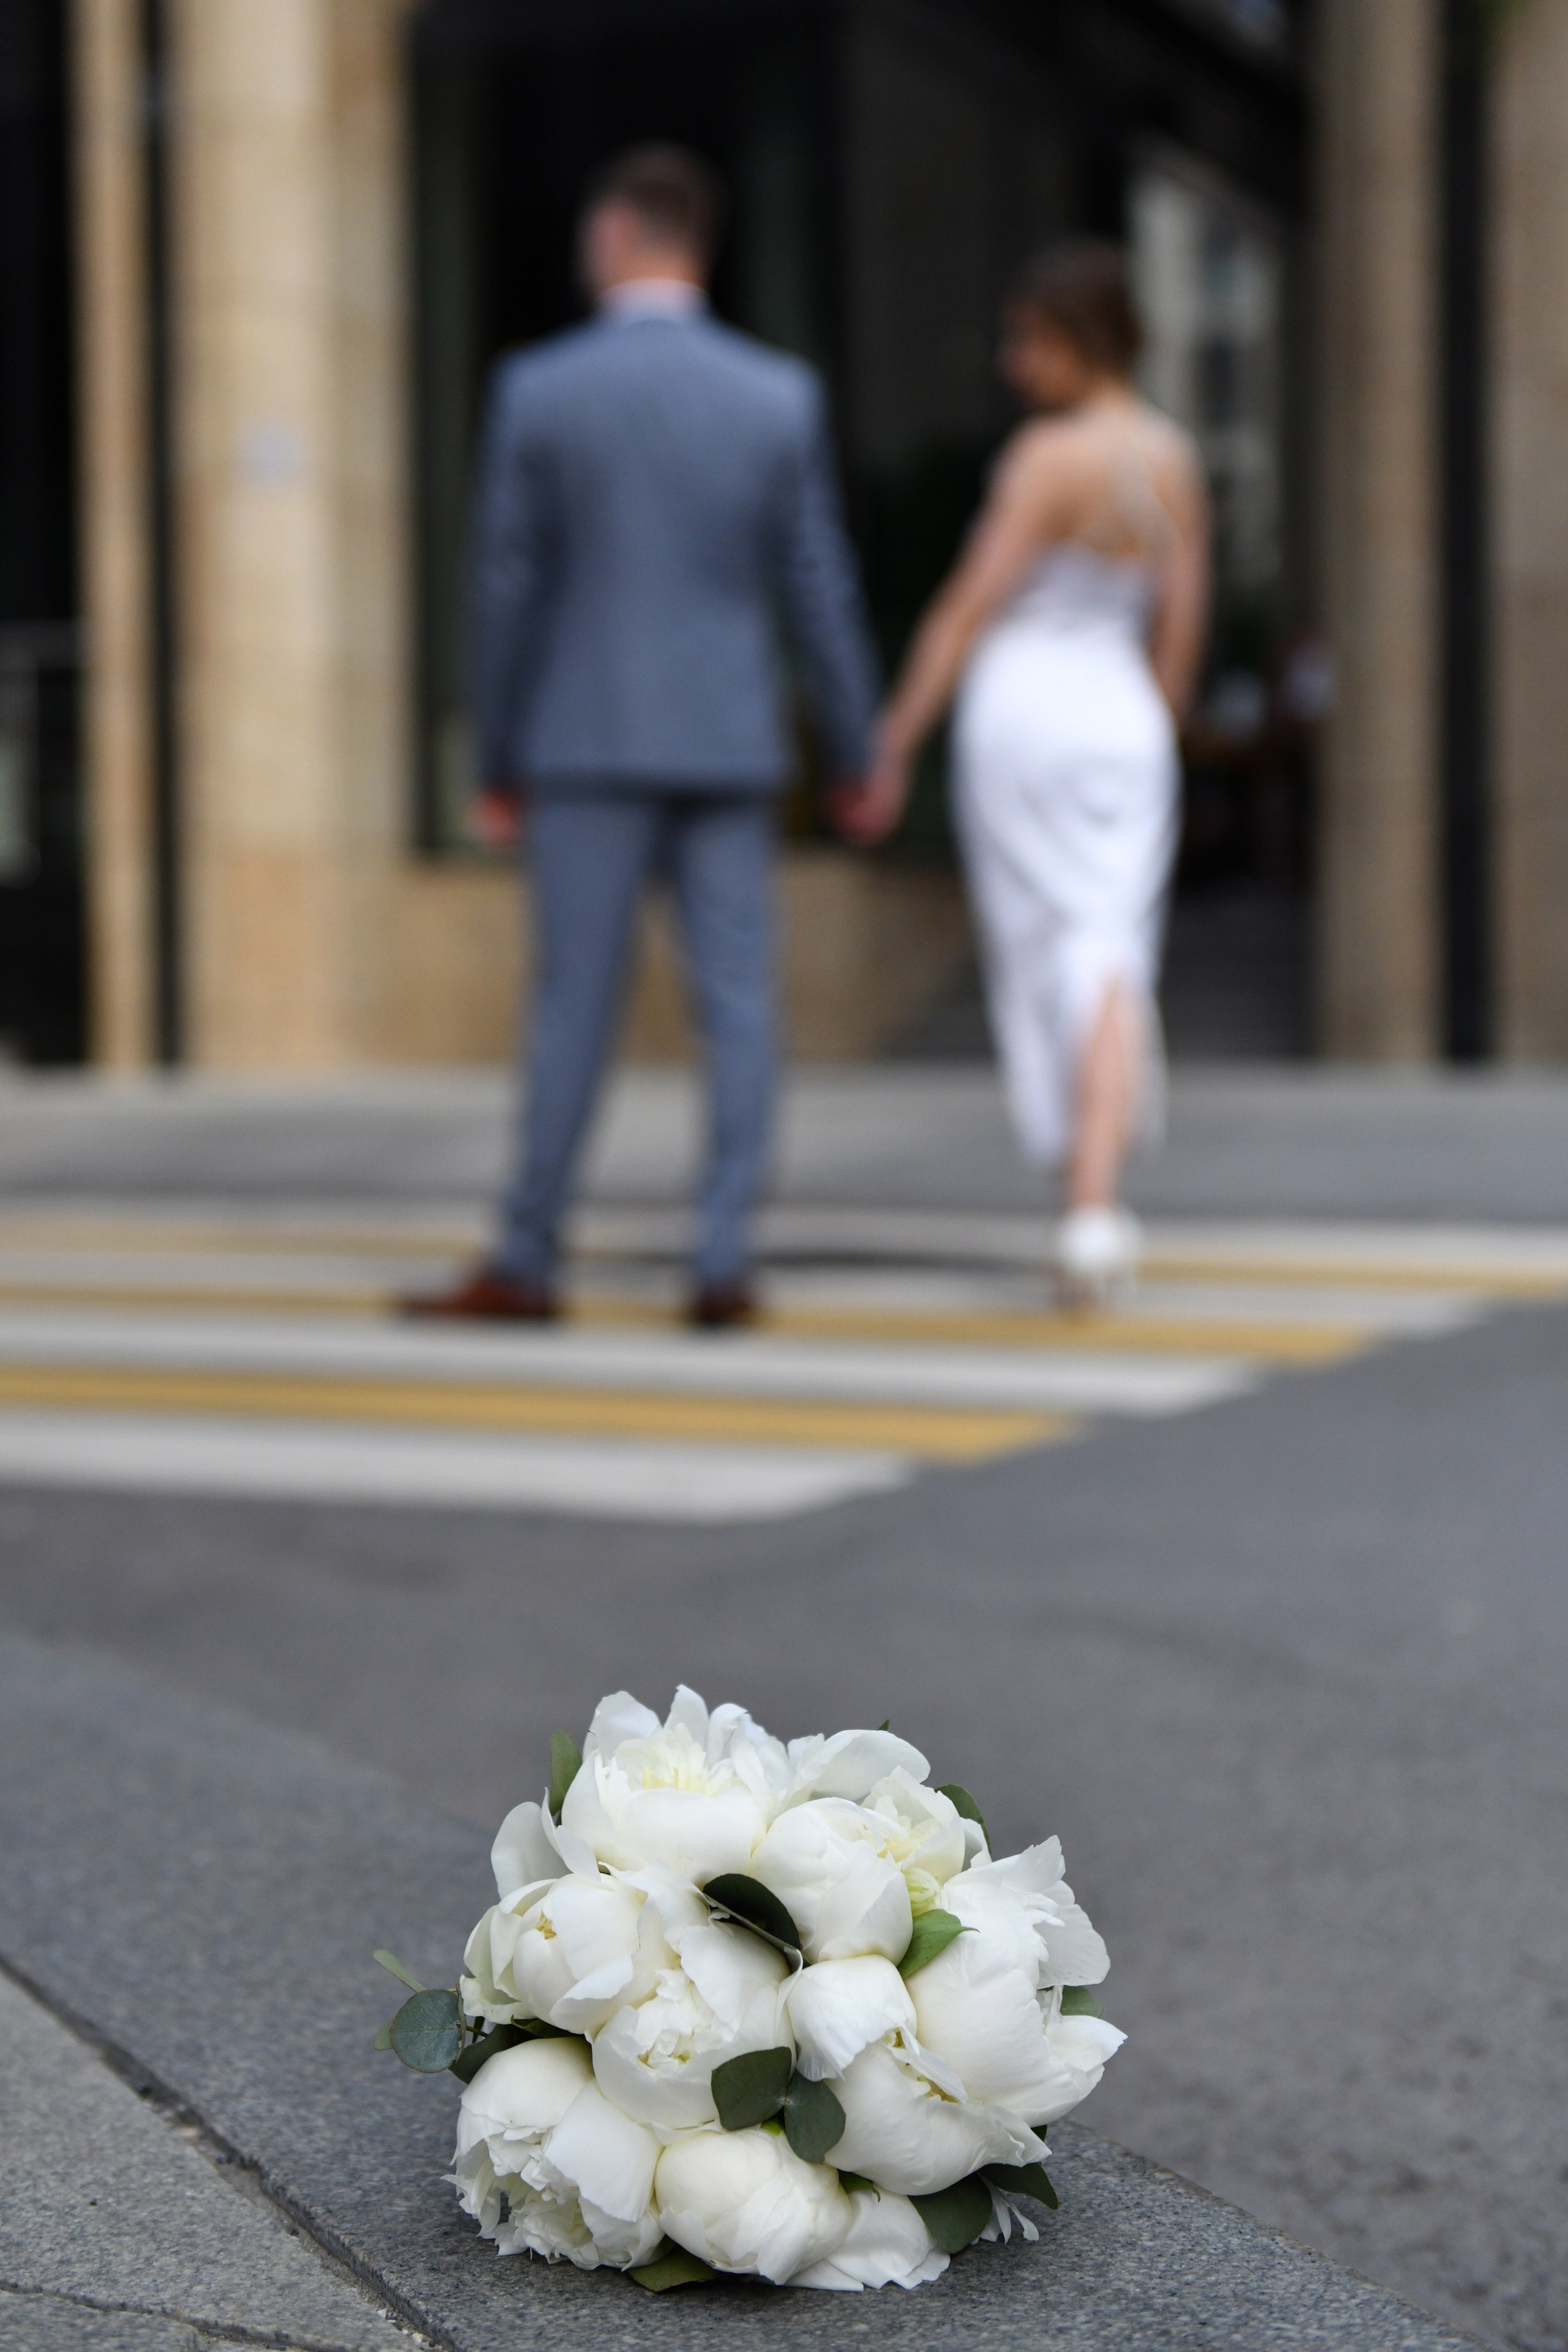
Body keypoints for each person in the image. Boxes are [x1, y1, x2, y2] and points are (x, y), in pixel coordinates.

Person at [407, 145, 880, 1329]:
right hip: (729, 740)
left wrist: (496, 752)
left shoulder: (539, 388)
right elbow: (821, 587)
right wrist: (860, 749)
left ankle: (528, 1254)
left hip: (583, 741)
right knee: (740, 1007)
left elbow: (503, 588)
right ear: (700, 248)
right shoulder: (778, 396)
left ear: (615, 238)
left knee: (573, 1003)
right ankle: (722, 1260)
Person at [840, 241, 1210, 1303]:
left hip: (1031, 715)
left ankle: (1085, 1197)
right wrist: (1155, 731)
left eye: (1028, 342)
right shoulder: (1175, 461)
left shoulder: (1045, 461)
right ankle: (1092, 1205)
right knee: (1109, 949)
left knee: (1050, 950)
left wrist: (896, 738)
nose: (1012, 365)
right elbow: (1180, 632)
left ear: (1076, 340)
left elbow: (966, 609)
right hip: (1123, 720)